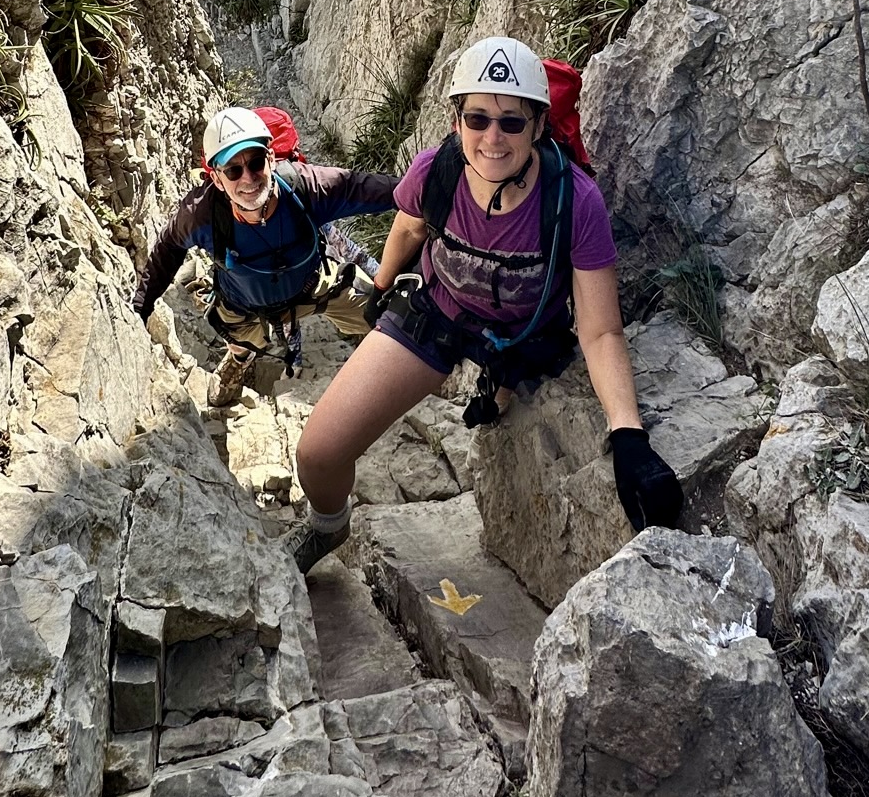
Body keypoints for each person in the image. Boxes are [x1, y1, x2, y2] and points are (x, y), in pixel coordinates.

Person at [282, 35, 684, 573]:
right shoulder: (437, 171)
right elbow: (410, 227)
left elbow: (600, 330)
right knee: (318, 453)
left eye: (512, 122)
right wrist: (382, 286)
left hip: (522, 335)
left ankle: (497, 385)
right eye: (477, 119)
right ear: (456, 122)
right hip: (438, 313)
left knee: (501, 395)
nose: (492, 138)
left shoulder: (573, 200)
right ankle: (327, 526)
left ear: (538, 126)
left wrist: (629, 436)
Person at [131, 105, 400, 406]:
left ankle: (401, 363)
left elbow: (367, 188)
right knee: (242, 342)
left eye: (256, 162)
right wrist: (141, 306)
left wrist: (426, 192)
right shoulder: (201, 215)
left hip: (312, 286)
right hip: (243, 305)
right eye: (233, 170)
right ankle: (239, 358)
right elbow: (168, 247)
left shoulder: (305, 187)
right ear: (217, 179)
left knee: (391, 317)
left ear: (271, 159)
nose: (248, 178)